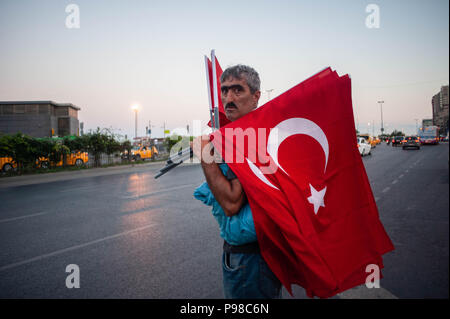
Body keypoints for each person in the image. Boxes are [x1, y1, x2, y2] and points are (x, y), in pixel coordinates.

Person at [192, 65, 282, 299]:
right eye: (224, 91)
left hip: (252, 261)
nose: (228, 99)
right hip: (249, 258)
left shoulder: (254, 139)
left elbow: (231, 203)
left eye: (237, 90)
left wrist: (205, 156)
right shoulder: (238, 136)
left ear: (256, 97)